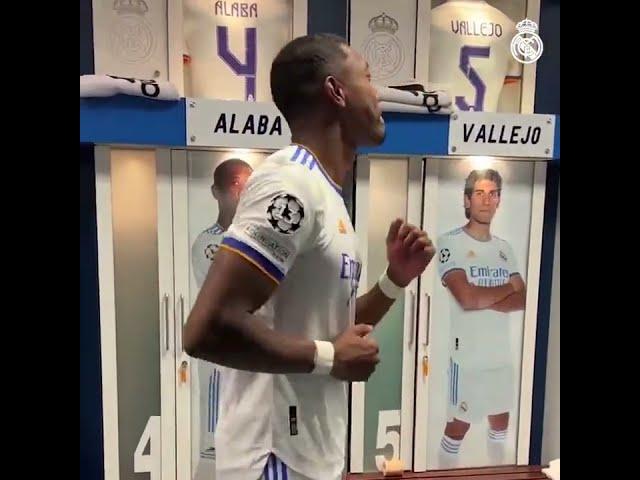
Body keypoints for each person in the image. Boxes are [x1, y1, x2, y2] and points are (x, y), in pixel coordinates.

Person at [184, 33, 436, 480]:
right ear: (336, 91)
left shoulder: (326, 194)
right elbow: (207, 328)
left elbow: (329, 330)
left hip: (312, 453)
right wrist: (329, 358)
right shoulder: (290, 184)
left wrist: (394, 280)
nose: (378, 95)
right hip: (275, 456)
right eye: (368, 78)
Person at [436, 169, 526, 468]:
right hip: (467, 360)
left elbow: (524, 298)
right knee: (457, 429)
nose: (486, 200)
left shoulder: (504, 249)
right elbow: (467, 298)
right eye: (479, 193)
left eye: (493, 194)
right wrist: (504, 291)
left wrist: (483, 296)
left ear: (499, 200)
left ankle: (498, 473)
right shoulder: (450, 243)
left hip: (501, 358)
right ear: (467, 199)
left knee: (501, 426)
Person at [190, 158, 253, 462]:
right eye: (235, 186)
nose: (240, 194)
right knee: (220, 447)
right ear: (218, 192)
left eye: (246, 186)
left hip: (255, 347)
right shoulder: (208, 243)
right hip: (221, 347)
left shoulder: (259, 239)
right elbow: (229, 294)